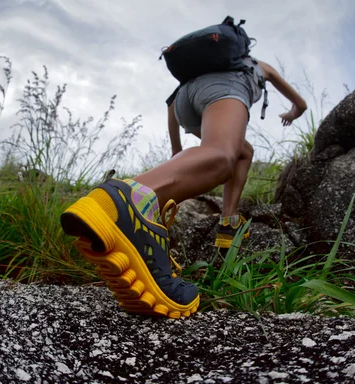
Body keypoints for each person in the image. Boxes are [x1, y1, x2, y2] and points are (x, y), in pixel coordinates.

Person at [60, 44, 307, 320]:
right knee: (222, 157)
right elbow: (301, 104)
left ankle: (228, 223)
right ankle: (128, 199)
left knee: (242, 151)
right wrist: (291, 114)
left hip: (184, 103)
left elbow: (172, 102)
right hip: (224, 91)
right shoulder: (254, 65)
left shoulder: (197, 72)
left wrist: (176, 153)